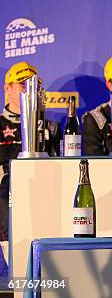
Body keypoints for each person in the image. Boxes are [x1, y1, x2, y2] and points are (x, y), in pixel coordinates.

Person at [0, 62, 61, 240]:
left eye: (33, 85)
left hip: (45, 192)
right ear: (7, 88)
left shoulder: (51, 127)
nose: (29, 91)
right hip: (7, 194)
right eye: (22, 85)